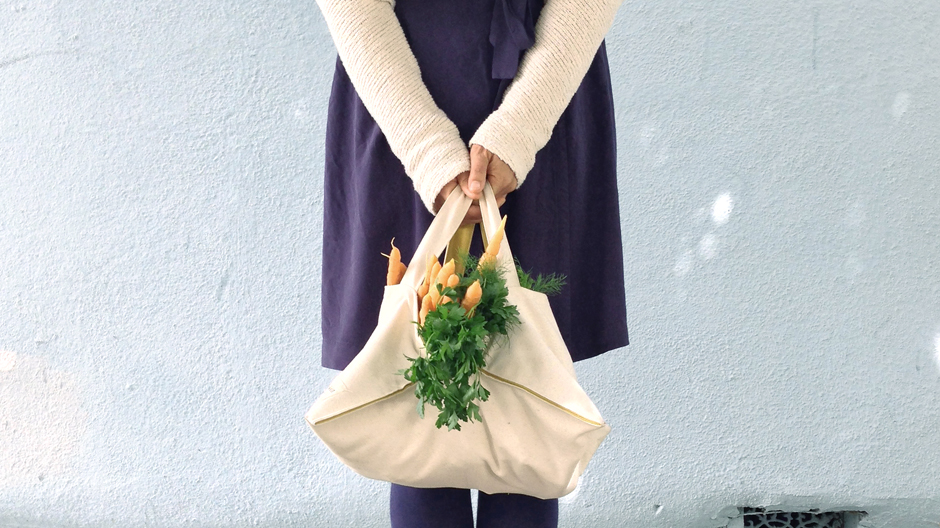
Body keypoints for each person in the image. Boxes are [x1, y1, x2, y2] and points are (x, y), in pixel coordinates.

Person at [314, 0, 628, 526]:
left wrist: (521, 128)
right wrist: (424, 146)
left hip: (543, 93)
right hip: (400, 98)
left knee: (527, 401)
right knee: (419, 394)